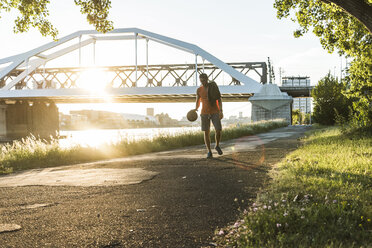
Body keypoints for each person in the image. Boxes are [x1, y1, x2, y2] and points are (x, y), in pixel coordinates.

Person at [194, 73, 223, 158]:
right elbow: (197, 101)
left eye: (204, 80)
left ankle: (217, 145)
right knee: (206, 132)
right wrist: (195, 109)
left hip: (215, 111)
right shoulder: (199, 90)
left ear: (207, 79)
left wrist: (221, 111)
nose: (202, 82)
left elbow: (219, 99)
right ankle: (209, 151)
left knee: (218, 129)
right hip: (204, 113)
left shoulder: (213, 87)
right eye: (201, 80)